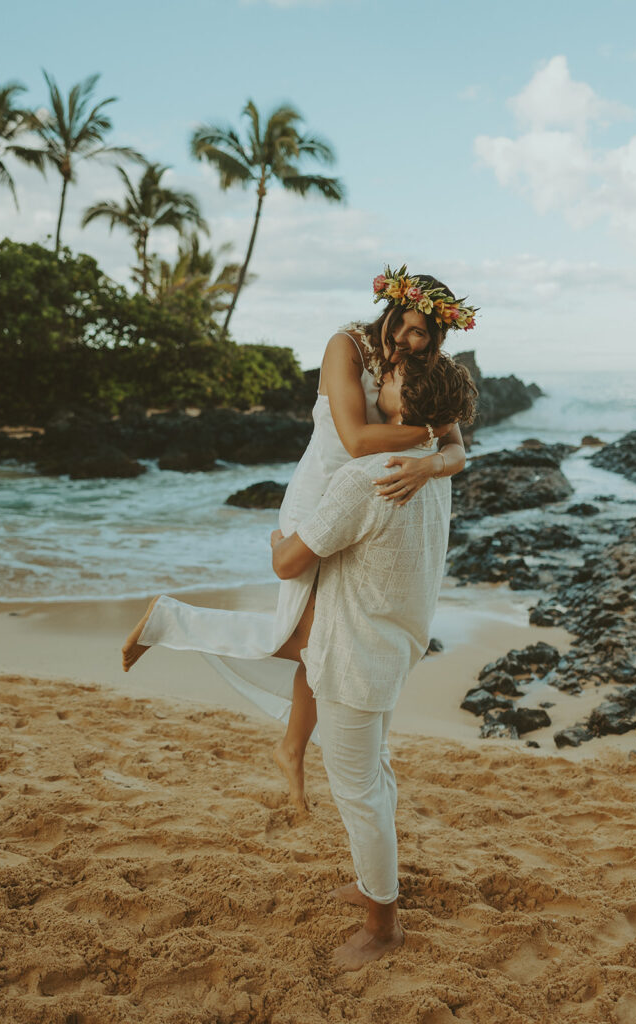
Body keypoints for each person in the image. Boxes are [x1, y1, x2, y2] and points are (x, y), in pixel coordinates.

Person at [121, 266, 478, 810]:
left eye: (422, 334)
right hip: (321, 499)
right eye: (404, 328)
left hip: (370, 502)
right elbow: (359, 439)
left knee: (322, 642)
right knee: (315, 639)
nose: (410, 341)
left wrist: (430, 465)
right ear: (389, 311)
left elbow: (459, 450)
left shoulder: (421, 369)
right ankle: (174, 622)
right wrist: (431, 439)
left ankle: (290, 748)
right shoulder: (347, 347)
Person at [270, 353, 477, 971]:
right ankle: (373, 885)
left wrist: (278, 539)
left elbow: (289, 563)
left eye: (386, 378)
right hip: (394, 643)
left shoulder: (367, 476)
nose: (375, 380)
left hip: (354, 652)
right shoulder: (431, 474)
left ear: (405, 404)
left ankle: (381, 926)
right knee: (375, 773)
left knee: (357, 789)